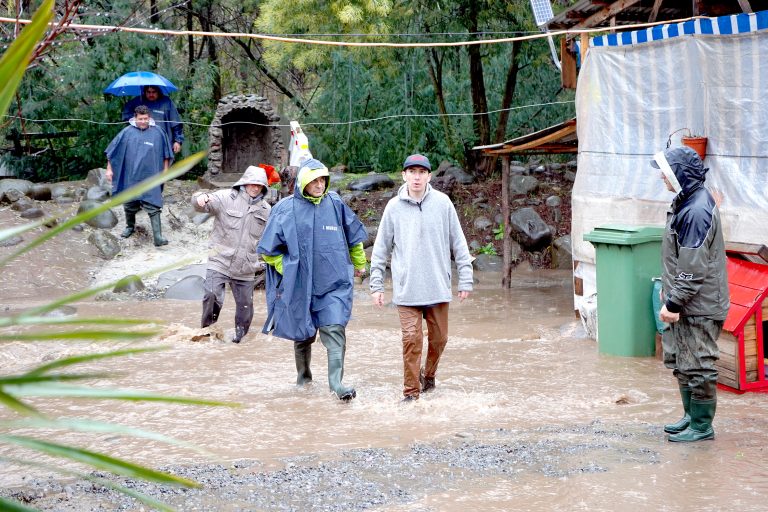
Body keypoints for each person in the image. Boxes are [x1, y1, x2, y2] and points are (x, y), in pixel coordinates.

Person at [257, 158, 367, 401]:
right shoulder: (284, 209)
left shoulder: (335, 203)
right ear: (302, 182)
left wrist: (360, 263)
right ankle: (304, 380)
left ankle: (337, 385)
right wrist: (288, 268)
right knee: (303, 333)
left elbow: (353, 238)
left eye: (322, 180)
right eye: (314, 180)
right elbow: (268, 251)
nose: (319, 185)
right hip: (300, 285)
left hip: (333, 284)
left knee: (335, 327)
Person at [369, 153, 474, 402]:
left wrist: (466, 278)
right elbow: (381, 248)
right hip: (407, 289)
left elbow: (458, 243)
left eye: (421, 172)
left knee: (440, 339)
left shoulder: (443, 203)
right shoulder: (393, 208)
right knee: (411, 339)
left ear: (429, 176)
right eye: (412, 172)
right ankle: (410, 393)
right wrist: (376, 284)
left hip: (437, 286)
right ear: (404, 175)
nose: (417, 177)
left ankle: (429, 375)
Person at [653, 146, 729, 442]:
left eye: (665, 171)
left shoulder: (696, 210)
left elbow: (693, 267)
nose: (661, 176)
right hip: (687, 300)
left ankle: (701, 425)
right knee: (680, 360)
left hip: (698, 303)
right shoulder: (686, 201)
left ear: (679, 174)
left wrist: (673, 301)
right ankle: (689, 416)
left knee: (699, 362)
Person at [192, 165, 271, 344]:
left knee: (246, 309)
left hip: (246, 266)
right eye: (252, 183)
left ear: (264, 188)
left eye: (259, 185)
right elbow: (198, 203)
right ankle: (207, 333)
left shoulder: (266, 210)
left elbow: (271, 237)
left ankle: (239, 341)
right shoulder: (225, 197)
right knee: (212, 295)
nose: (255, 187)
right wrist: (200, 198)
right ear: (244, 182)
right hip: (220, 260)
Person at [105, 105, 172, 247]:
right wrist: (109, 169)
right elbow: (112, 152)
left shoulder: (158, 132)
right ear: (135, 118)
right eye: (140, 119)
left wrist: (166, 171)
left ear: (150, 118)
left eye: (146, 119)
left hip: (151, 176)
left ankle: (158, 237)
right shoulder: (126, 133)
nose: (143, 121)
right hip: (131, 176)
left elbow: (166, 154)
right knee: (129, 203)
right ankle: (130, 226)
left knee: (154, 204)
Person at [122, 85, 184, 155]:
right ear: (144, 92)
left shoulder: (167, 102)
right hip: (142, 144)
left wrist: (177, 141)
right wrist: (135, 121)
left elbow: (176, 123)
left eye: (154, 92)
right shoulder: (138, 101)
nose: (151, 94)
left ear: (158, 92)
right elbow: (126, 115)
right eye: (148, 92)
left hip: (163, 144)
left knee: (165, 163)